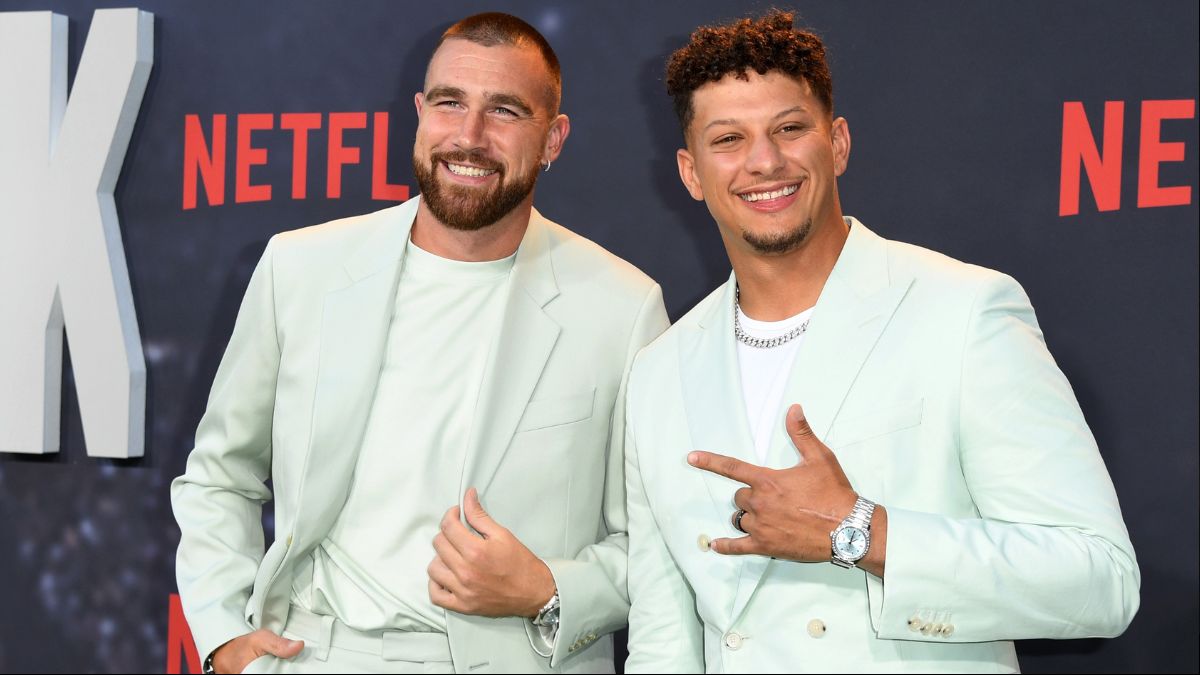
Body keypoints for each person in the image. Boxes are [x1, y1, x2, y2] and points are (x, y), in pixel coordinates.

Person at [623, 11, 1139, 673]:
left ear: (837, 143)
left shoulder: (963, 311)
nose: (765, 161)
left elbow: (1099, 580)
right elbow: (663, 641)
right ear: (691, 173)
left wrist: (860, 530)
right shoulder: (660, 370)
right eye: (728, 139)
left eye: (789, 128)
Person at [172, 12, 667, 674]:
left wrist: (548, 589)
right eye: (449, 103)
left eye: (505, 111)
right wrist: (223, 635)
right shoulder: (300, 269)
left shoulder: (622, 307)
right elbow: (219, 473)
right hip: (316, 654)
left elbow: (659, 542)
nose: (469, 136)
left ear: (553, 138)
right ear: (419, 113)